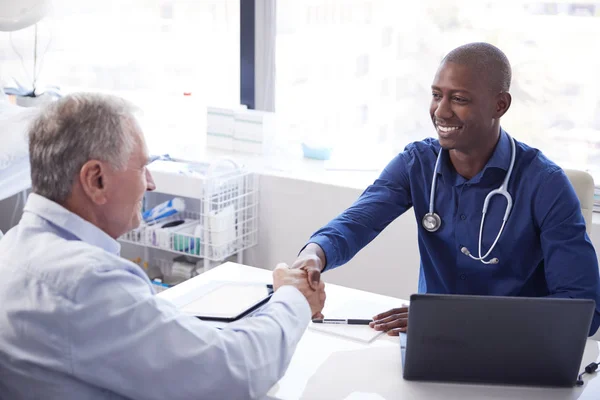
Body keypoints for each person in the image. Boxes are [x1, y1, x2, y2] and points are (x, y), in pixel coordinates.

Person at [0, 93, 326, 399]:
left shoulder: (13, 246)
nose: (151, 183)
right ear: (95, 179)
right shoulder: (87, 282)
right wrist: (294, 299)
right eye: (142, 167)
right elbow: (233, 373)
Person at [291, 42, 600, 336]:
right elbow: (356, 222)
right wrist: (314, 255)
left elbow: (583, 311)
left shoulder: (546, 184)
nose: (440, 111)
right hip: (432, 341)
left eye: (459, 99)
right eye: (437, 95)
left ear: (500, 105)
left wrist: (452, 320)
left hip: (517, 345)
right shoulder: (417, 163)